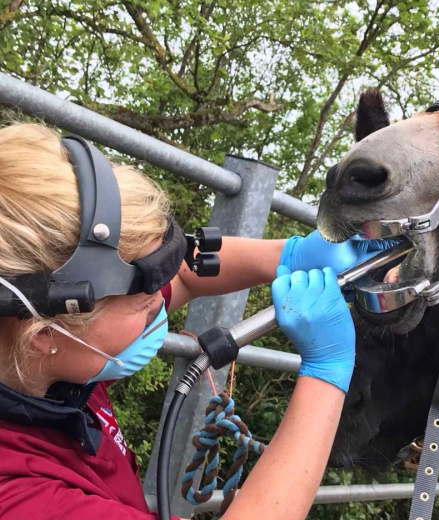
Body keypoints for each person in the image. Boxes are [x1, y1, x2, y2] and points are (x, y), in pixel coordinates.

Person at [0, 122, 387, 520]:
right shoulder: (18, 497)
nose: (160, 302)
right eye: (146, 300)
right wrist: (326, 372)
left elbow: (184, 272)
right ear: (44, 334)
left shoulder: (39, 362)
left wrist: (291, 257)